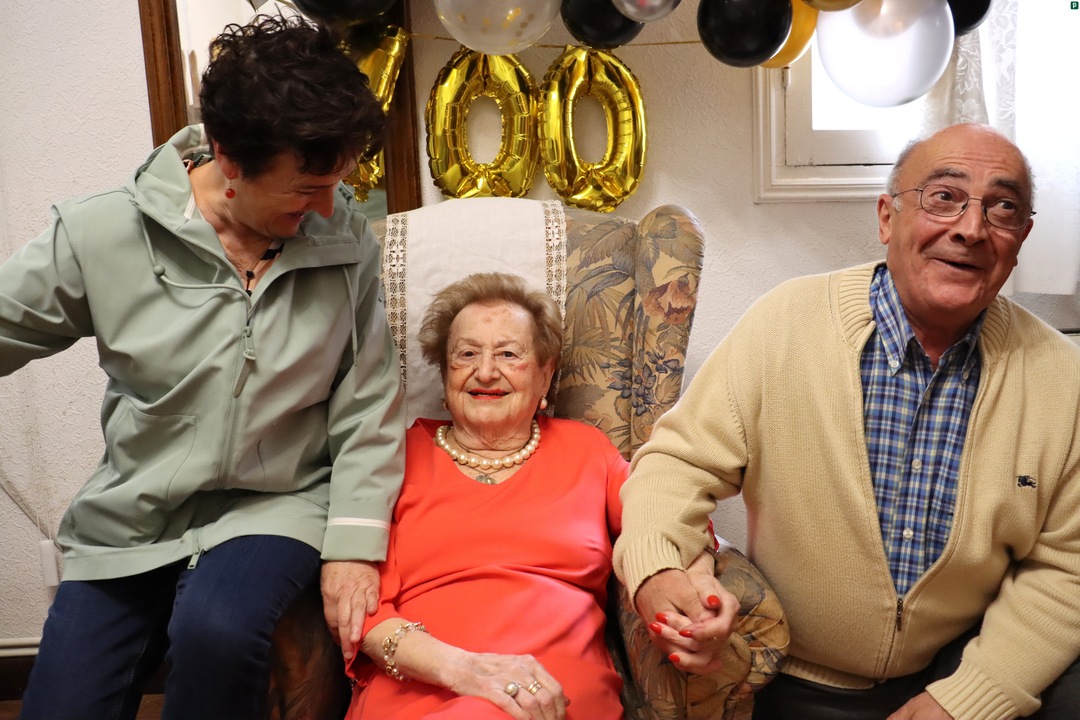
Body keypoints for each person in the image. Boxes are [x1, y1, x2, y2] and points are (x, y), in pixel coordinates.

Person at [5, 15, 405, 720]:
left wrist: (354, 542)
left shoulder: (345, 241)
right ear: (227, 158)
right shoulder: (102, 233)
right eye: (305, 189)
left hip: (279, 503)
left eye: (336, 183)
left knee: (218, 629)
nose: (327, 207)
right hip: (133, 514)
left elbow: (367, 400)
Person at [613, 123, 1080, 720]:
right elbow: (675, 467)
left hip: (960, 664)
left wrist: (967, 699)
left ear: (1021, 238)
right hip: (795, 678)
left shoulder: (1061, 379)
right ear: (887, 217)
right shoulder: (785, 324)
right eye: (944, 197)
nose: (971, 228)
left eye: (1003, 208)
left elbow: (1065, 567)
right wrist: (656, 569)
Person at [344, 272, 734, 720]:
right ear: (444, 372)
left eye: (508, 354)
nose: (485, 371)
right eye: (466, 354)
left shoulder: (586, 450)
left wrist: (699, 579)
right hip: (423, 685)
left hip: (554, 691)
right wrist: (467, 671)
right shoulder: (393, 458)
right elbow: (360, 610)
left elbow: (665, 512)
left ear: (545, 375)